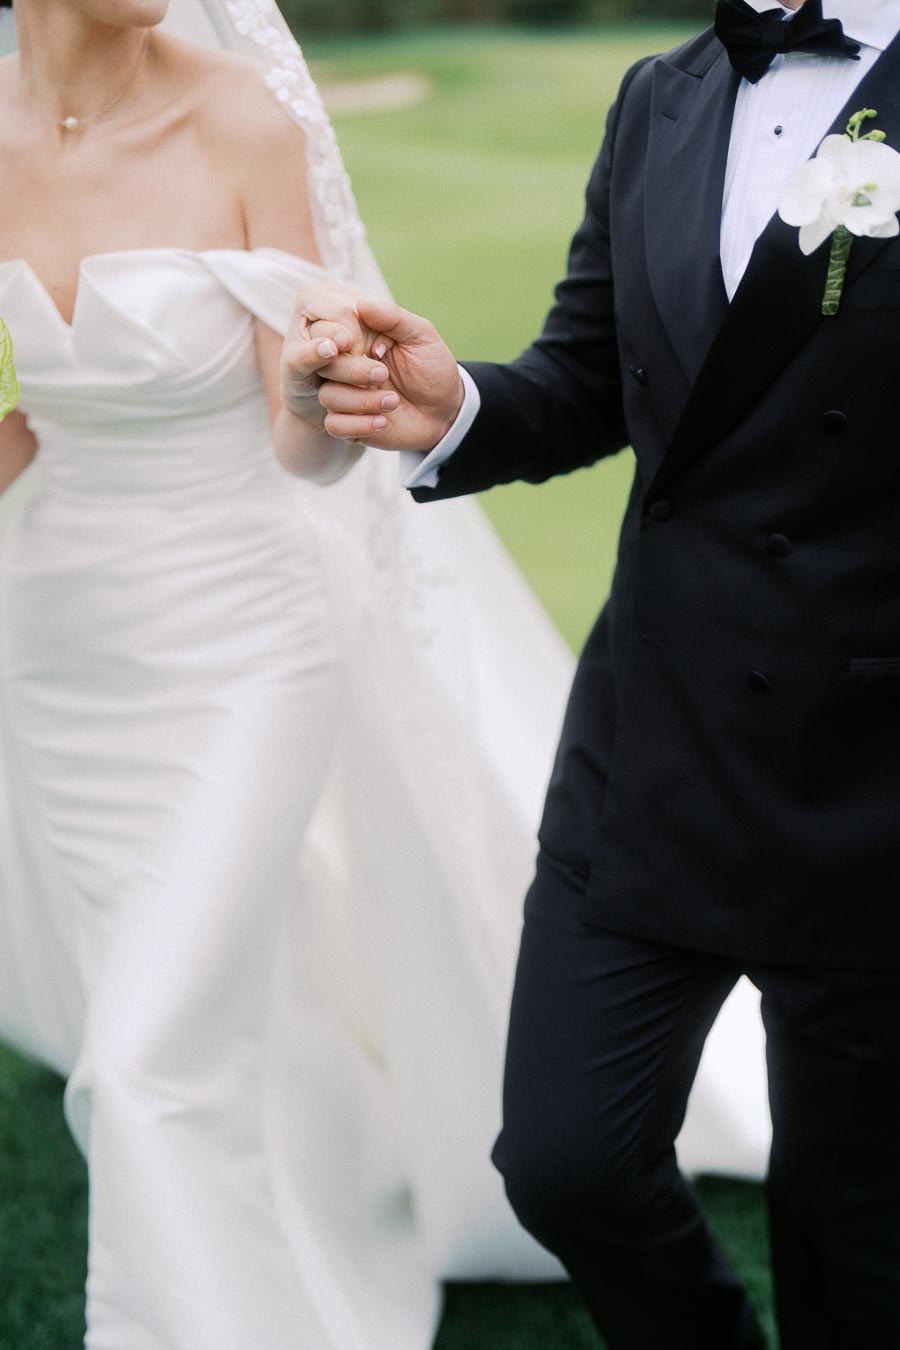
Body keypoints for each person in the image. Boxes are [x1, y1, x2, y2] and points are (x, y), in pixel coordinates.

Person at [295, 1, 900, 1346]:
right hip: (652, 740)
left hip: (866, 765)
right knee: (567, 1159)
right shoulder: (659, 97)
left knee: (853, 1218)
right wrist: (453, 407)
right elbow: (586, 377)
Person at [0, 0, 585, 1343]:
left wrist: (324, 389)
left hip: (245, 637)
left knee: (142, 1058)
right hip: (62, 646)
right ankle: (325, 1163)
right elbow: (14, 423)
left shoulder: (238, 113)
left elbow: (305, 448)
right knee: (186, 1005)